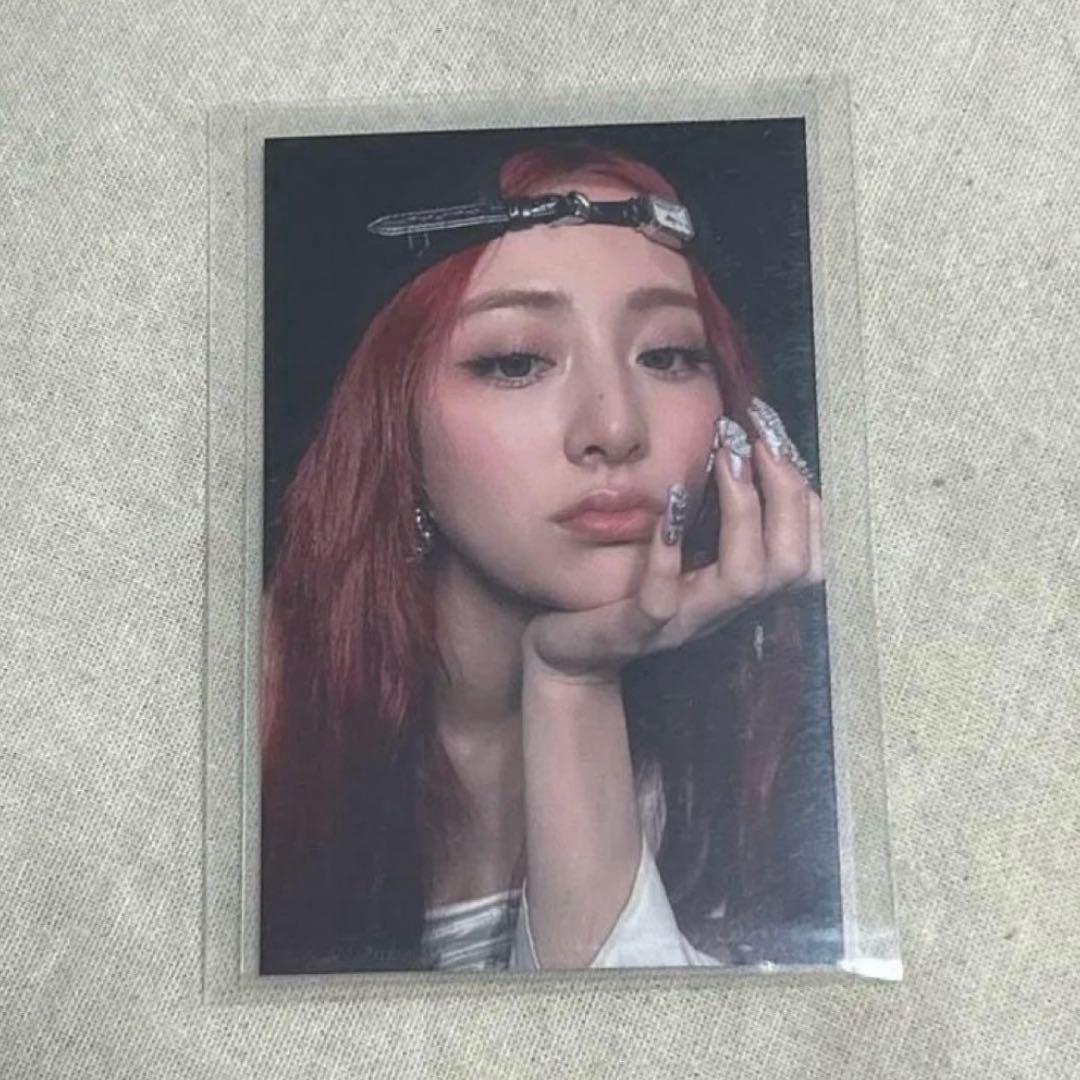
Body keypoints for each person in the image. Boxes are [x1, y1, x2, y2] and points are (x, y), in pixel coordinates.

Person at [259, 138, 826, 974]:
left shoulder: (775, 704)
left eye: (667, 356)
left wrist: (574, 682)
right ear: (389, 426)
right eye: (516, 361)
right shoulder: (240, 711)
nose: (615, 429)